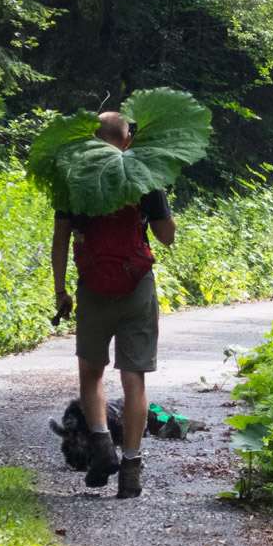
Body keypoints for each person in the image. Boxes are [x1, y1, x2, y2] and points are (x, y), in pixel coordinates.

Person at [51, 112, 177, 499]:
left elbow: (59, 241)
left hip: (92, 288)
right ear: (126, 140)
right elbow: (166, 237)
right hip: (136, 287)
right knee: (134, 377)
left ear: (92, 140)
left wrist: (61, 292)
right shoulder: (144, 176)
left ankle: (102, 445)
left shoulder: (75, 179)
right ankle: (132, 468)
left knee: (91, 374)